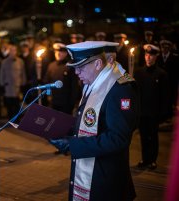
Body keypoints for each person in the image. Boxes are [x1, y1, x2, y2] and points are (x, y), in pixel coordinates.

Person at [49, 41, 139, 201]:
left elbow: (118, 138)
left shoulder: (119, 88)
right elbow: (89, 120)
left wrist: (73, 145)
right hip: (91, 174)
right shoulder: (94, 82)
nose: (76, 72)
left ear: (98, 63)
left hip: (105, 180)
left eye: (81, 67)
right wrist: (61, 128)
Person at [134, 44, 169, 170]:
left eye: (151, 55)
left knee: (153, 136)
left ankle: (152, 160)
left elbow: (165, 95)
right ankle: (145, 158)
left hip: (154, 112)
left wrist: (164, 113)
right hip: (142, 112)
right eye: (146, 55)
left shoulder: (161, 74)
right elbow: (136, 93)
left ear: (156, 57)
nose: (148, 58)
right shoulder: (138, 73)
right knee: (143, 136)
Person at [0, 44, 26, 119]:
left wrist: (23, 83)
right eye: (11, 50)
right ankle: (10, 118)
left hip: (17, 86)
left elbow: (23, 73)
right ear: (9, 51)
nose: (13, 52)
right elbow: (2, 73)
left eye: (14, 50)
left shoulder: (20, 61)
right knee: (9, 104)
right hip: (8, 86)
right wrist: (1, 83)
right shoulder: (4, 62)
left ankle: (16, 118)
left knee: (17, 104)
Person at [157, 40, 179, 118]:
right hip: (161, 81)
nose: (164, 49)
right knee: (161, 97)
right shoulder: (158, 57)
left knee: (170, 97)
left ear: (169, 48)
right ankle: (162, 114)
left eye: (166, 48)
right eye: (163, 47)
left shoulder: (175, 57)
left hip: (171, 81)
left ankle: (169, 114)